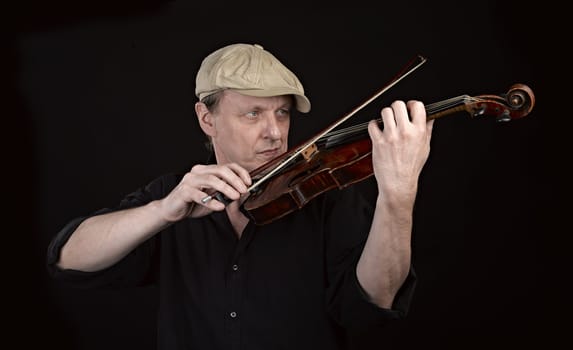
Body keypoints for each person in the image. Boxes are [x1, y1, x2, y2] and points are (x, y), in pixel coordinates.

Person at [46, 43, 434, 349]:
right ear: (206, 118)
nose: (275, 133)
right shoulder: (173, 195)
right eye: (253, 114)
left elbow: (374, 305)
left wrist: (398, 196)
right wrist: (162, 211)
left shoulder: (326, 198)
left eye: (282, 113)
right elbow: (69, 259)